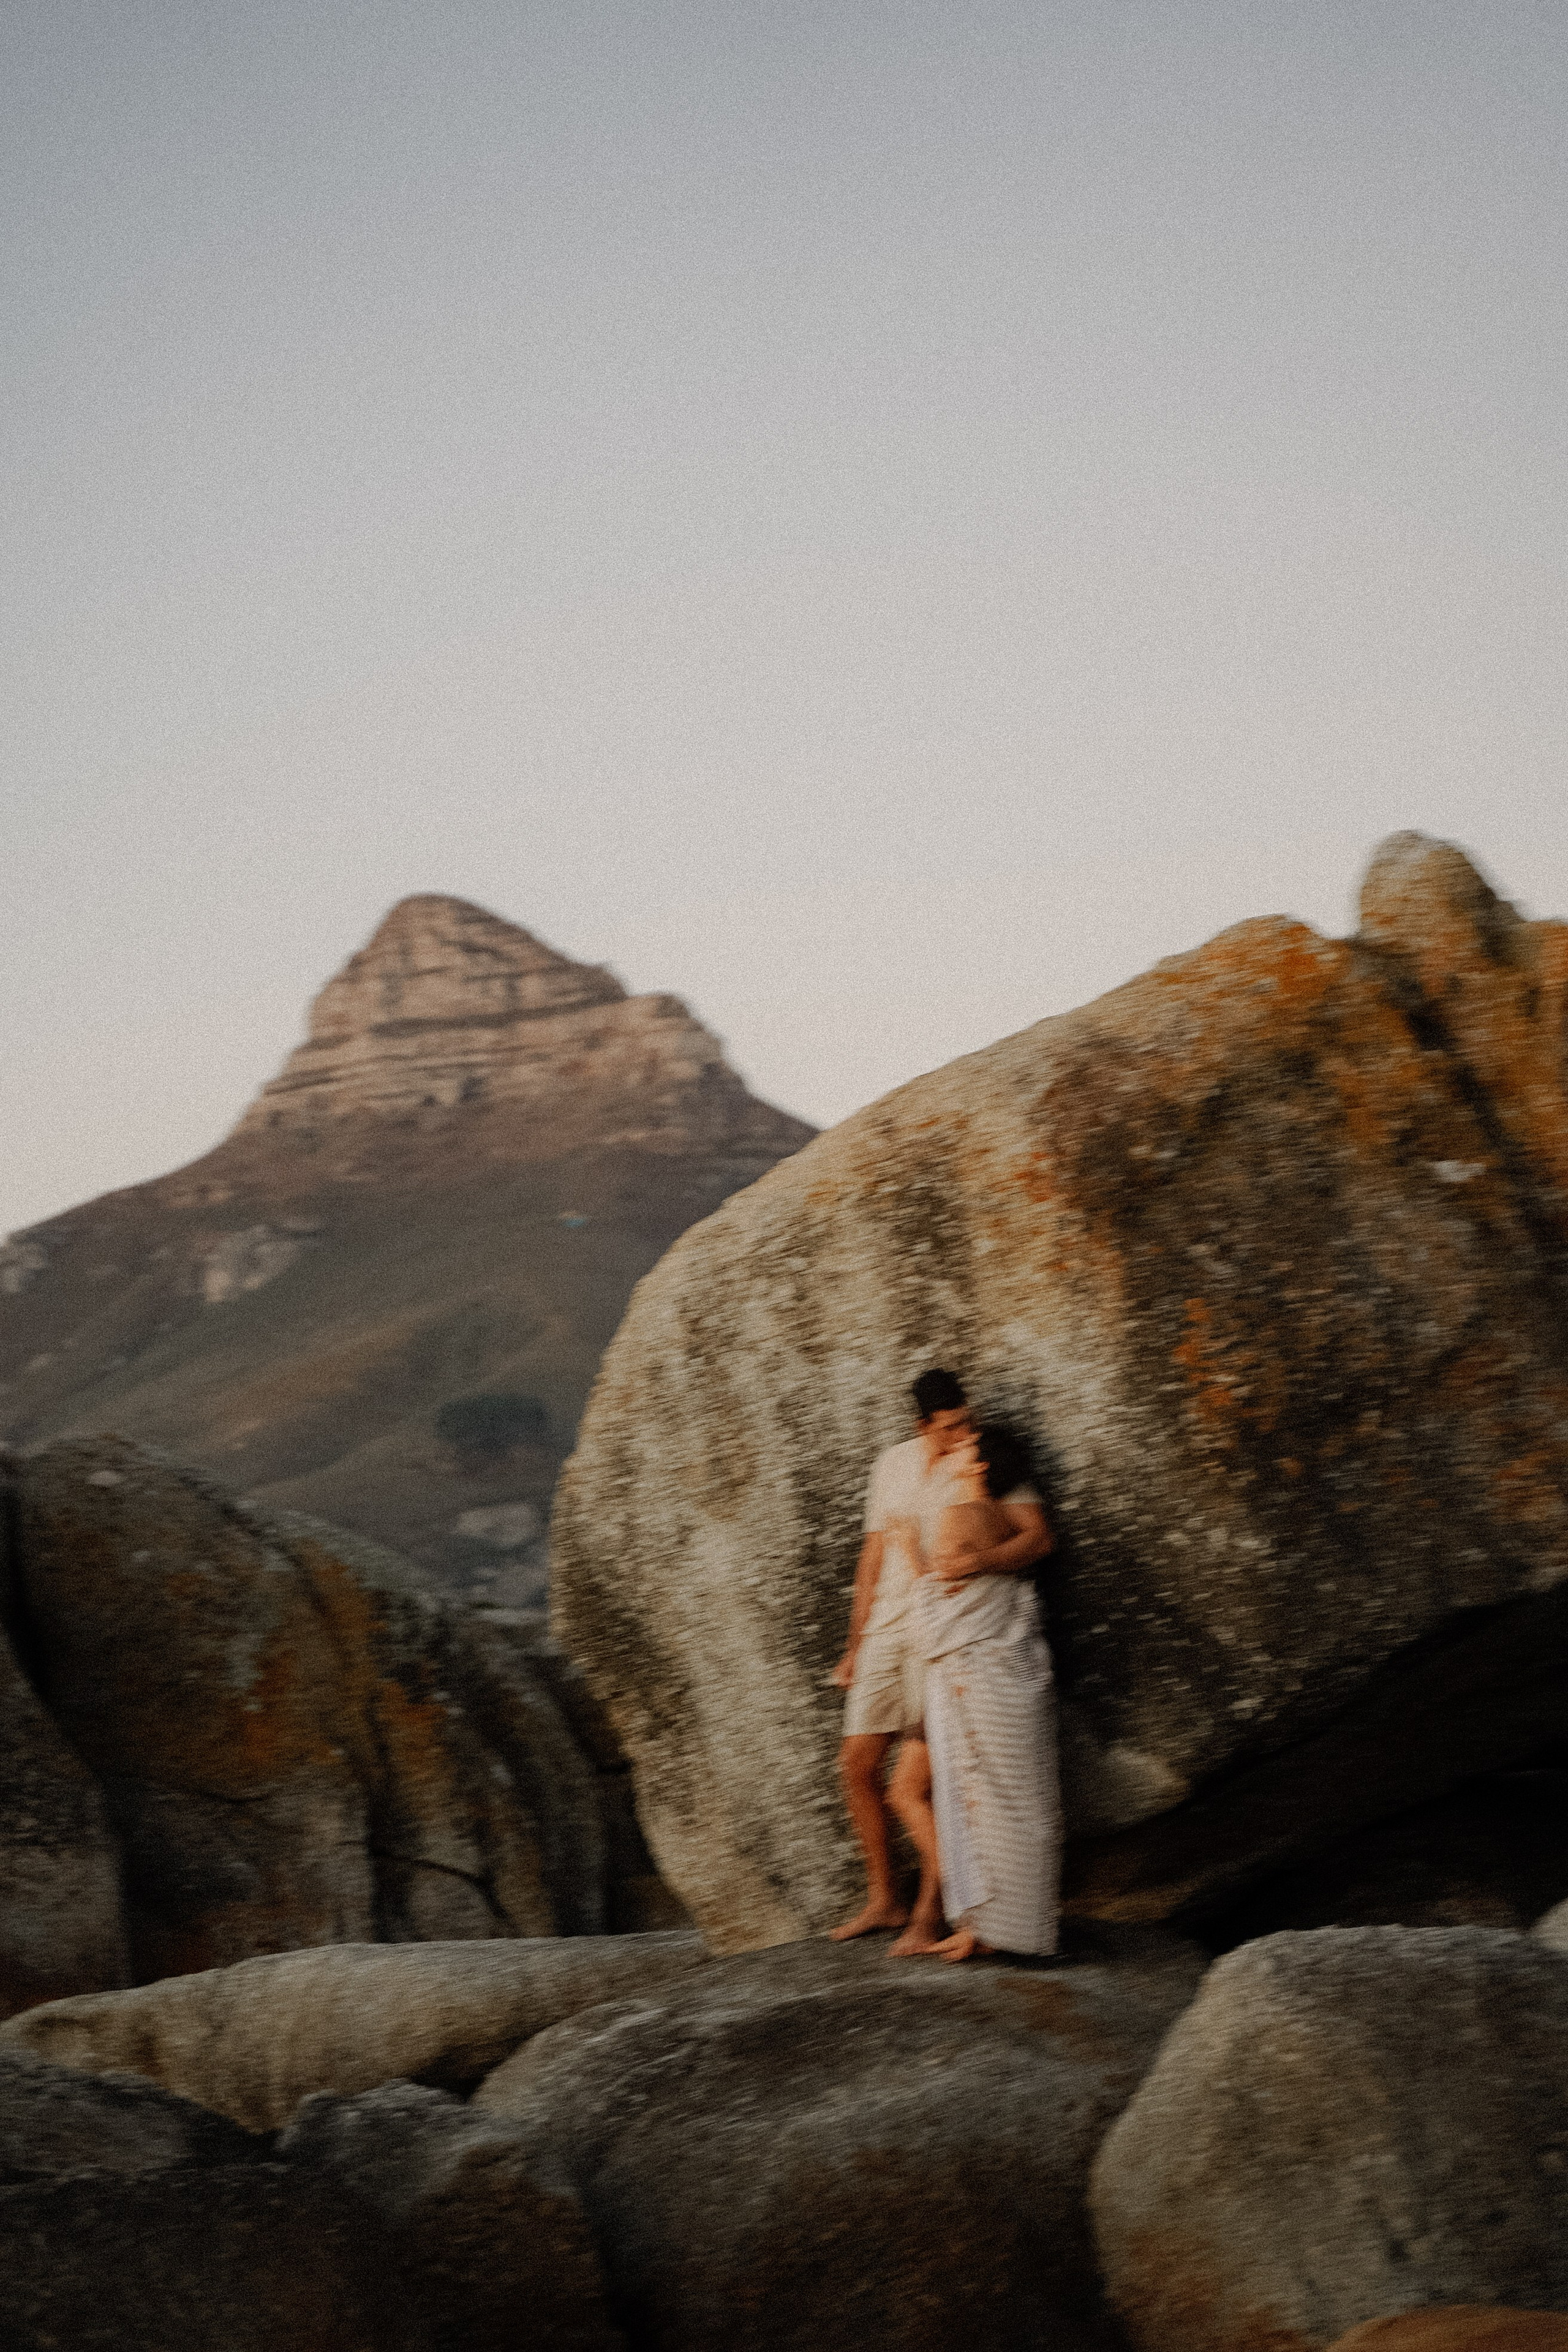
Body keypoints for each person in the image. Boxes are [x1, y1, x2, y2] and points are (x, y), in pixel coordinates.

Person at [903, 1422, 1059, 1961]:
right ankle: (1011, 1927)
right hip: (1011, 1665)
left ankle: (984, 1929)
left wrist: (916, 1566)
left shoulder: (965, 1515)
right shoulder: (993, 1516)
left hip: (978, 1677)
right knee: (1020, 1800)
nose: (962, 1441)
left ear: (980, 1465)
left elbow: (940, 1607)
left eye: (970, 1443)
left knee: (979, 1803)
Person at [828, 1368, 974, 1943]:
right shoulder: (892, 1464)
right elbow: (871, 1559)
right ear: (922, 1426)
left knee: (921, 1783)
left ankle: (930, 1912)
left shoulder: (978, 1464)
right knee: (856, 1766)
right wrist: (854, 1645)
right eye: (950, 1426)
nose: (964, 1433)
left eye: (968, 1419)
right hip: (887, 1631)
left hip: (938, 1635)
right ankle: (884, 1901)